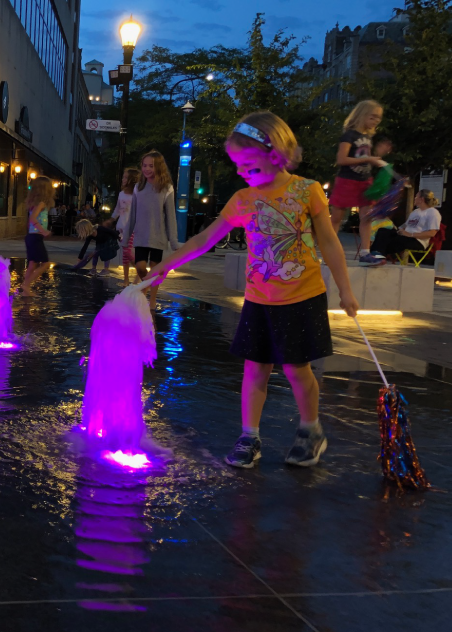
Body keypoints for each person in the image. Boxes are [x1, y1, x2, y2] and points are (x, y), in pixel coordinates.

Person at [146, 111, 359, 469]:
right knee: (254, 369)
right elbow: (203, 238)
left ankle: (311, 430)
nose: (241, 171)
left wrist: (346, 291)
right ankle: (249, 435)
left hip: (302, 296)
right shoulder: (243, 199)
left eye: (247, 163)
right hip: (260, 300)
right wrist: (167, 264)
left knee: (297, 369)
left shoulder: (306, 191)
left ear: (275, 153)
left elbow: (329, 242)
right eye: (237, 165)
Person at [330, 100, 385, 258]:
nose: (376, 121)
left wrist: (376, 157)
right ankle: (330, 251)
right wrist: (368, 159)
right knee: (336, 219)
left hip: (364, 181)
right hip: (347, 180)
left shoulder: (367, 137)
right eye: (373, 117)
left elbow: (364, 158)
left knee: (367, 217)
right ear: (362, 115)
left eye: (378, 118)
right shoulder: (349, 135)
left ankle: (365, 252)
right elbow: (341, 159)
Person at [130, 150, 179, 306]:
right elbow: (132, 214)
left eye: (151, 165)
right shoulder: (138, 188)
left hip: (158, 236)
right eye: (144, 165)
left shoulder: (167, 188)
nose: (147, 169)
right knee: (140, 266)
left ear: (158, 167)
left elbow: (170, 216)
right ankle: (145, 289)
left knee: (155, 269)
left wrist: (173, 240)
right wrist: (126, 238)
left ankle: (152, 299)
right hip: (141, 236)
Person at [367, 189, 441, 263]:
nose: (415, 198)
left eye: (416, 196)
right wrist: (398, 229)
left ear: (421, 199)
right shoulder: (416, 211)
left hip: (417, 240)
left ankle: (377, 256)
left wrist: (410, 234)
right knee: (383, 231)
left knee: (390, 242)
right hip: (405, 236)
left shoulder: (432, 212)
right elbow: (406, 224)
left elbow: (432, 233)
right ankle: (375, 255)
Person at [20, 176, 54, 297]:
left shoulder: (35, 203)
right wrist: (44, 231)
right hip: (35, 237)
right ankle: (26, 285)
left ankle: (25, 291)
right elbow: (32, 219)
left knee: (32, 264)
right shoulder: (41, 203)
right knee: (45, 264)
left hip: (31, 237)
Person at [112, 167, 138, 284]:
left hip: (132, 228)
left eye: (125, 177)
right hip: (121, 227)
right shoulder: (121, 194)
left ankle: (141, 273)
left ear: (132, 180)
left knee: (128, 252)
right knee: (125, 255)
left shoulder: (136, 195)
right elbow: (118, 209)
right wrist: (111, 219)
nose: (123, 179)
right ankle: (126, 279)